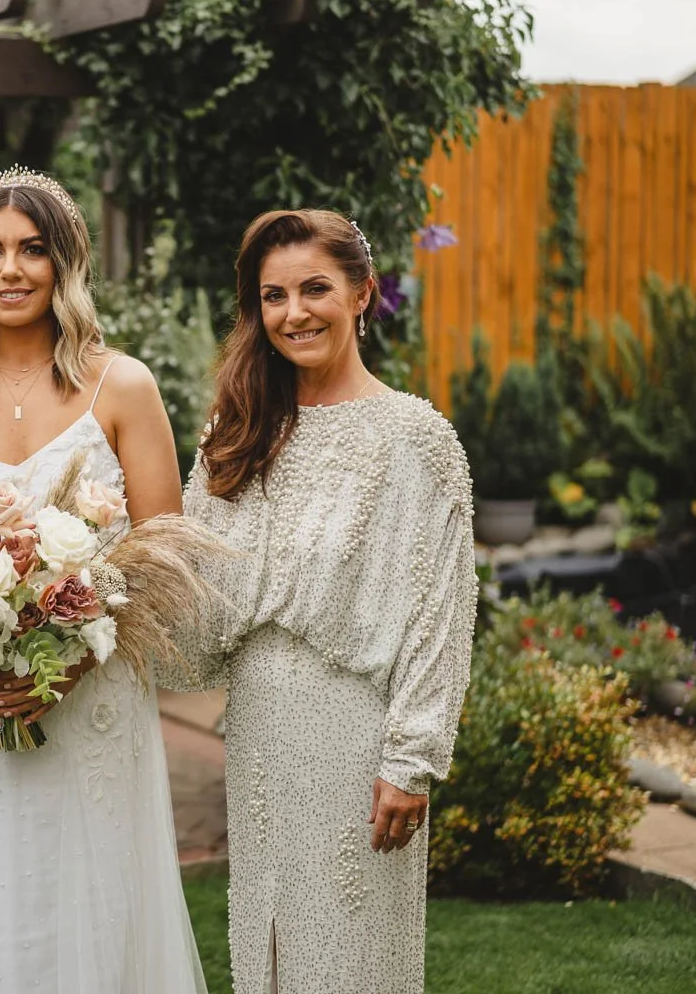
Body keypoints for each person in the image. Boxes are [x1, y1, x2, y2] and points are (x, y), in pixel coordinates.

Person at [0, 167, 208, 993]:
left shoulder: (121, 387)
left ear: (65, 264)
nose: (9, 270)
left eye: (31, 250)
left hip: (91, 705)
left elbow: (164, 558)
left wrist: (66, 667)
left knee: (87, 901)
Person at [175, 209, 477, 993]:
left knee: (351, 958)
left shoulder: (416, 438)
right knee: (268, 947)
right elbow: (194, 588)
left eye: (315, 289)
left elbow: (440, 611)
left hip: (357, 735)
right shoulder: (236, 431)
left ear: (362, 295)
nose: (294, 312)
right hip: (258, 730)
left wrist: (411, 759)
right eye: (274, 296)